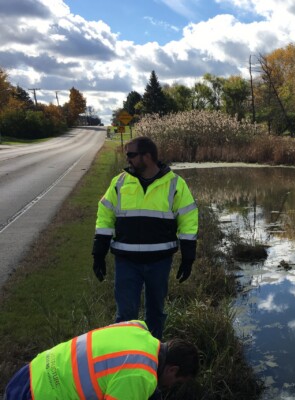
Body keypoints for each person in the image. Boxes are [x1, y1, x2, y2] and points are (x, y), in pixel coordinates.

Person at [92, 136, 198, 340]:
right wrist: (98, 252)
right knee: (125, 316)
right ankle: (126, 354)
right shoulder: (119, 182)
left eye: (131, 155)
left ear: (147, 156)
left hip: (159, 262)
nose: (127, 159)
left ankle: (153, 352)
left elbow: (188, 219)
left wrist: (188, 257)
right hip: (126, 261)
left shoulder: (175, 184)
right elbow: (105, 217)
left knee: (156, 314)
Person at [3, 320, 199, 400]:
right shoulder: (141, 376)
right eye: (176, 382)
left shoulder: (138, 328)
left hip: (30, 372)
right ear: (172, 370)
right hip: (39, 395)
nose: (170, 386)